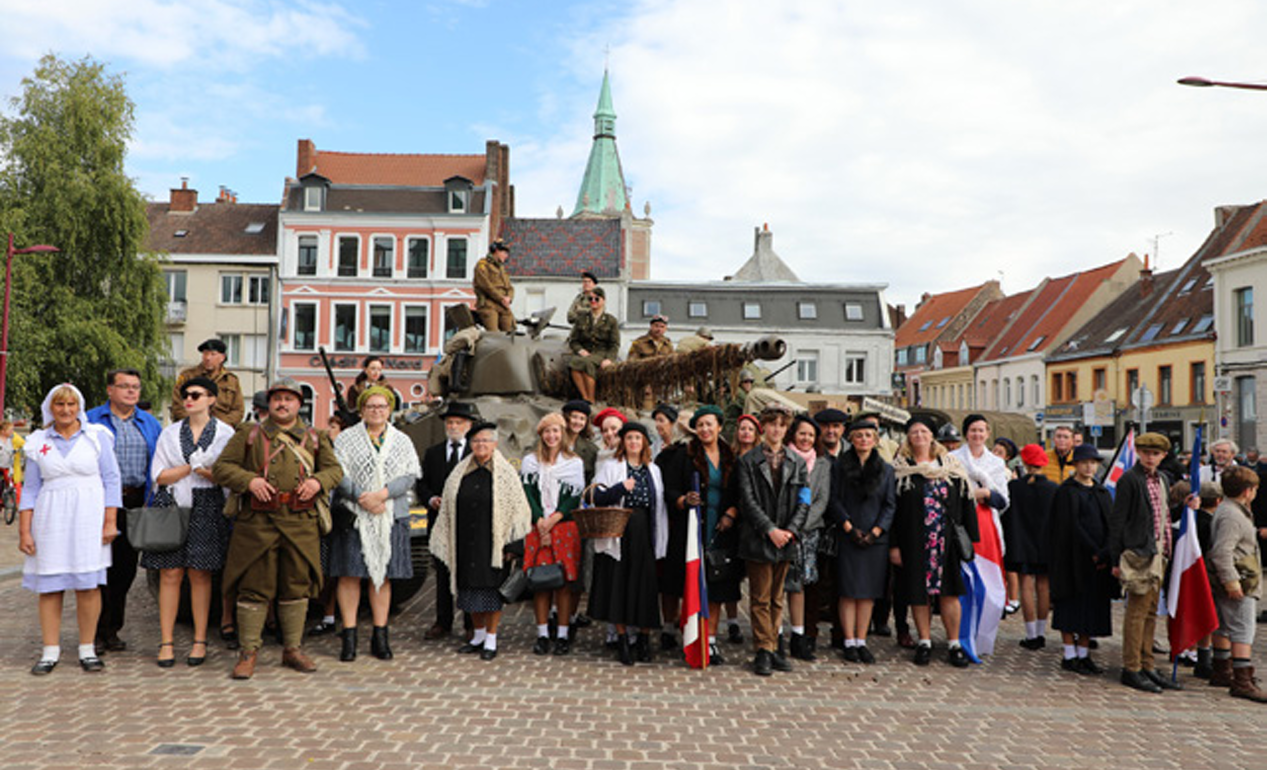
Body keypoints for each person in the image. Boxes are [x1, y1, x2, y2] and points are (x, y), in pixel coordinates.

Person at [213, 377, 344, 679]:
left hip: (300, 522)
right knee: (253, 587)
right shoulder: (249, 434)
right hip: (257, 523)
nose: (282, 404)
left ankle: (292, 649)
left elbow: (334, 470)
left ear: (299, 404)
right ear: (269, 403)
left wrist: (317, 482)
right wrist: (249, 481)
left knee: (296, 586)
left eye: (289, 399)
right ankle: (248, 652)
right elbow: (222, 468)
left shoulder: (315, 437)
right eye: (277, 399)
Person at [20, 384, 121, 675]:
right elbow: (31, 489)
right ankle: (50, 651)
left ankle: (87, 648)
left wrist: (110, 521)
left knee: (88, 585)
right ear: (50, 408)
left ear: (80, 407)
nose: (66, 410)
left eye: (71, 404)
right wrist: (25, 531)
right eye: (60, 404)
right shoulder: (38, 442)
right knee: (50, 586)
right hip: (50, 518)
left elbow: (112, 480)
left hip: (89, 517)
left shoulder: (97, 437)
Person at [143, 377, 234, 668]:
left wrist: (202, 472)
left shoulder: (225, 433)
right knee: (170, 573)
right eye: (186, 395)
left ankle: (199, 640)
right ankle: (166, 641)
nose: (189, 399)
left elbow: (227, 476)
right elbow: (159, 475)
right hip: (172, 504)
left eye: (196, 394)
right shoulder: (170, 433)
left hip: (208, 505)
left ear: (212, 399)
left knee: (200, 574)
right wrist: (193, 467)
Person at [329, 387, 421, 662]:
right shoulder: (346, 439)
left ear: (389, 410)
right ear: (361, 410)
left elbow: (409, 475)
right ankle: (349, 636)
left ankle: (380, 635)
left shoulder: (401, 440)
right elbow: (338, 472)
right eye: (371, 406)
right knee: (349, 574)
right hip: (353, 514)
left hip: (390, 514)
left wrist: (382, 495)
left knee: (382, 577)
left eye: (382, 406)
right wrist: (362, 497)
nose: (376, 411)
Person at [433, 421, 532, 661]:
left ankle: (491, 638)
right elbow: (447, 507)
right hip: (464, 541)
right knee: (468, 592)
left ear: (495, 444)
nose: (480, 445)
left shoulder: (506, 474)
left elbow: (518, 511)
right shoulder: (459, 473)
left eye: (485, 441)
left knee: (491, 593)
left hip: (493, 545)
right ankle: (477, 636)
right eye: (476, 441)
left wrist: (512, 547)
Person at [889, 416, 978, 667]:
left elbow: (966, 501)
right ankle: (925, 642)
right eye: (914, 432)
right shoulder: (900, 469)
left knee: (950, 593)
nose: (919, 436)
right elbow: (892, 510)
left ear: (932, 436)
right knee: (919, 593)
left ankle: (954, 643)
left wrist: (971, 539)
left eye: (924, 431)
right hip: (914, 541)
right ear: (908, 437)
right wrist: (893, 545)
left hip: (946, 541)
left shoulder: (950, 465)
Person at [85, 368, 162, 654]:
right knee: (98, 568)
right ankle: (94, 632)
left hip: (134, 502)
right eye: (124, 386)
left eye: (135, 387)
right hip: (98, 502)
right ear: (110, 390)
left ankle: (112, 629)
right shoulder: (91, 419)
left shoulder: (150, 423)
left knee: (125, 570)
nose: (131, 391)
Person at [738, 404, 810, 676]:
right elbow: (747, 500)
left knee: (778, 597)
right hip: (760, 537)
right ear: (764, 427)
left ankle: (773, 645)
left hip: (786, 538)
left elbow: (804, 499)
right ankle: (763, 649)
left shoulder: (797, 462)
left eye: (781, 425)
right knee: (760, 597)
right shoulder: (748, 461)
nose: (776, 429)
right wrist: (770, 529)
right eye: (772, 424)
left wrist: (790, 530)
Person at [589, 422, 668, 665]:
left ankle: (643, 640)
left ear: (644, 442)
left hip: (644, 532)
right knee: (619, 583)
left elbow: (659, 505)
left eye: (638, 438)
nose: (634, 442)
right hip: (619, 531)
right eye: (629, 438)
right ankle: (622, 639)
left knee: (645, 585)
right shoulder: (611, 466)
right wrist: (619, 488)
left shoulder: (653, 470)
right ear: (623, 442)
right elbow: (596, 497)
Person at [666, 405, 740, 662]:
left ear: (719, 426)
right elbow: (670, 490)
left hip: (721, 530)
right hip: (692, 529)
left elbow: (740, 491)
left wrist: (732, 512)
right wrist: (683, 499)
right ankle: (692, 636)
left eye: (709, 424)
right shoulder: (685, 455)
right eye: (700, 425)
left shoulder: (730, 456)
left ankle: (710, 641)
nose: (705, 429)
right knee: (692, 583)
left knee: (717, 586)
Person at [1107, 431, 1179, 693]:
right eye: (1146, 453)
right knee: (1136, 613)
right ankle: (1132, 666)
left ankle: (1147, 663)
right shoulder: (1130, 479)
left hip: (1159, 552)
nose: (1150, 458)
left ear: (1163, 456)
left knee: (1150, 612)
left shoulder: (1162, 479)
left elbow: (1163, 515)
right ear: (1138, 453)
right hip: (1138, 553)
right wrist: (1116, 557)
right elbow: (1118, 520)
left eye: (1155, 454)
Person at [830, 417, 896, 664]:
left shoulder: (886, 470)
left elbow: (890, 505)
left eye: (869, 435)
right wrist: (848, 527)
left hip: (875, 539)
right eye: (859, 435)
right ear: (851, 439)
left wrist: (876, 531)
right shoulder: (840, 466)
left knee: (868, 592)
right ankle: (848, 641)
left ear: (876, 440)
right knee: (848, 591)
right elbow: (834, 499)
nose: (864, 440)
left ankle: (861, 640)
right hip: (848, 535)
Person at [1048, 443, 1116, 675]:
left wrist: (1105, 551)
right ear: (1076, 464)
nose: (1089, 467)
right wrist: (1092, 550)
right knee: (1071, 606)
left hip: (1098, 562)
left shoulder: (1101, 492)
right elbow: (1070, 525)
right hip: (1073, 560)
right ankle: (1069, 654)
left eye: (1093, 463)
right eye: (1084, 462)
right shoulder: (1066, 492)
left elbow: (1110, 523)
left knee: (1091, 608)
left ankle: (1084, 654)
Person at [520, 413, 585, 656]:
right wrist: (540, 521)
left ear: (563, 433)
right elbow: (527, 492)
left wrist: (553, 519)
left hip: (564, 526)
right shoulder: (530, 462)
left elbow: (574, 497)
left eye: (556, 431)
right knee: (541, 582)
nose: (551, 436)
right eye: (547, 431)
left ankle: (563, 634)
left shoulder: (574, 462)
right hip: (537, 526)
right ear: (541, 435)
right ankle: (542, 634)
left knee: (564, 583)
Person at [418, 401, 477, 640]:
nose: (453, 426)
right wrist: (431, 499)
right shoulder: (433, 453)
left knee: (467, 574)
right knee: (442, 574)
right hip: (440, 521)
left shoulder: (475, 453)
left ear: (468, 425)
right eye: (450, 422)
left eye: (458, 422)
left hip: (468, 524)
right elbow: (422, 483)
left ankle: (471, 622)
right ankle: (443, 621)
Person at [1208, 466, 1267, 700]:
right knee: (1243, 628)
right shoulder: (1232, 515)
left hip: (1235, 577)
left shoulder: (1231, 510)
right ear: (1247, 491)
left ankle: (1222, 670)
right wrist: (1231, 581)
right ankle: (1242, 680)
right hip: (1239, 579)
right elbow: (1222, 551)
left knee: (1224, 625)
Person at [952, 414, 1012, 615]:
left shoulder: (996, 463)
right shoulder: (953, 459)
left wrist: (986, 492)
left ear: (987, 433)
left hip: (986, 524)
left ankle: (986, 618)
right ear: (966, 433)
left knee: (987, 577)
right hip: (960, 523)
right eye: (973, 430)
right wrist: (970, 495)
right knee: (963, 573)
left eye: (981, 430)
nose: (977, 434)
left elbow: (1003, 500)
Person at [784, 414, 829, 662]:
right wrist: (789, 527)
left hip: (808, 532)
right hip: (782, 531)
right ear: (793, 434)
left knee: (800, 584)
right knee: (778, 583)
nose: (806, 438)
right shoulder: (783, 457)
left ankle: (798, 636)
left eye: (811, 435)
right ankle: (774, 636)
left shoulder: (823, 464)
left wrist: (800, 526)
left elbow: (821, 500)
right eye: (802, 433)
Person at [1007, 444, 1057, 651]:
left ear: (1024, 462)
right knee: (1043, 586)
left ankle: (1030, 634)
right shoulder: (1053, 488)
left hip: (1021, 541)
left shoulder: (1014, 487)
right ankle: (1041, 631)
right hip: (1045, 541)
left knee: (1025, 586)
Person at [652, 403, 687, 650]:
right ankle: (667, 625)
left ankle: (684, 622)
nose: (658, 425)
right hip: (661, 518)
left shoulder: (686, 451)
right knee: (666, 576)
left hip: (681, 517)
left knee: (683, 574)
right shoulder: (657, 450)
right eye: (656, 420)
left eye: (662, 420)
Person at [171, 338, 245, 426]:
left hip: (221, 429)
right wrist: (196, 423)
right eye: (205, 353)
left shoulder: (231, 380)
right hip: (190, 426)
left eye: (213, 354)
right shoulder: (188, 376)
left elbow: (238, 411)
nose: (207, 358)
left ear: (222, 357)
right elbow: (177, 405)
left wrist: (218, 426)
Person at [567, 286, 619, 403]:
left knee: (587, 363)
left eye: (597, 299)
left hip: (601, 352)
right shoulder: (582, 319)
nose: (593, 301)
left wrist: (609, 359)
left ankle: (591, 398)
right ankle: (585, 397)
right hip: (586, 351)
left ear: (603, 300)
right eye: (590, 299)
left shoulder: (611, 320)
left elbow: (614, 344)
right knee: (574, 363)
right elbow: (573, 340)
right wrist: (580, 350)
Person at [472, 239, 515, 333]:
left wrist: (509, 298)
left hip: (503, 305)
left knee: (511, 333)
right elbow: (486, 286)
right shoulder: (482, 265)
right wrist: (501, 298)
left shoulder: (501, 268)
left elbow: (509, 287)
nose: (506, 256)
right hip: (489, 304)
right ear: (497, 251)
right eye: (504, 253)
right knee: (494, 335)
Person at [562, 400, 598, 482]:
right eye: (574, 417)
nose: (578, 422)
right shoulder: (552, 441)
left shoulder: (591, 450)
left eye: (582, 419)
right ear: (566, 418)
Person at [0, 419, 25, 504]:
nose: (12, 432)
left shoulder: (10, 439)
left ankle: (11, 500)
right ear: (3, 431)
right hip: (1, 465)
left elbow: (22, 444)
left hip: (8, 466)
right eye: (10, 430)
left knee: (11, 482)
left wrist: (16, 451)